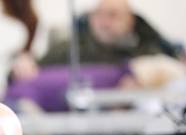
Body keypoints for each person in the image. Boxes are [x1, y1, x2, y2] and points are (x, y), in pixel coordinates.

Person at [10, 0, 182, 83]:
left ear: (130, 21)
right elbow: (28, 74)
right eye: (98, 15)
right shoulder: (69, 50)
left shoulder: (151, 52)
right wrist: (21, 68)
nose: (104, 22)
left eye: (113, 15)